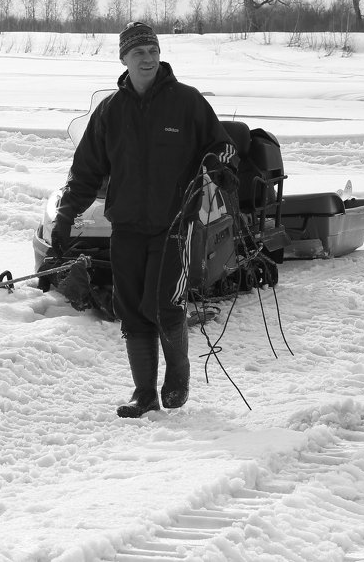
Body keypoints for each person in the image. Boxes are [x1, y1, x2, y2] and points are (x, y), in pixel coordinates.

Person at [50, 21, 234, 418]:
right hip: (127, 226)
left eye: (153, 51)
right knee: (131, 307)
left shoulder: (187, 102)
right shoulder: (111, 112)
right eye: (139, 53)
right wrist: (66, 216)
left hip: (174, 225)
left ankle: (178, 376)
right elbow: (86, 171)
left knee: (164, 303)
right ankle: (143, 393)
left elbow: (221, 144)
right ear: (124, 60)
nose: (148, 59)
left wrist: (218, 162)